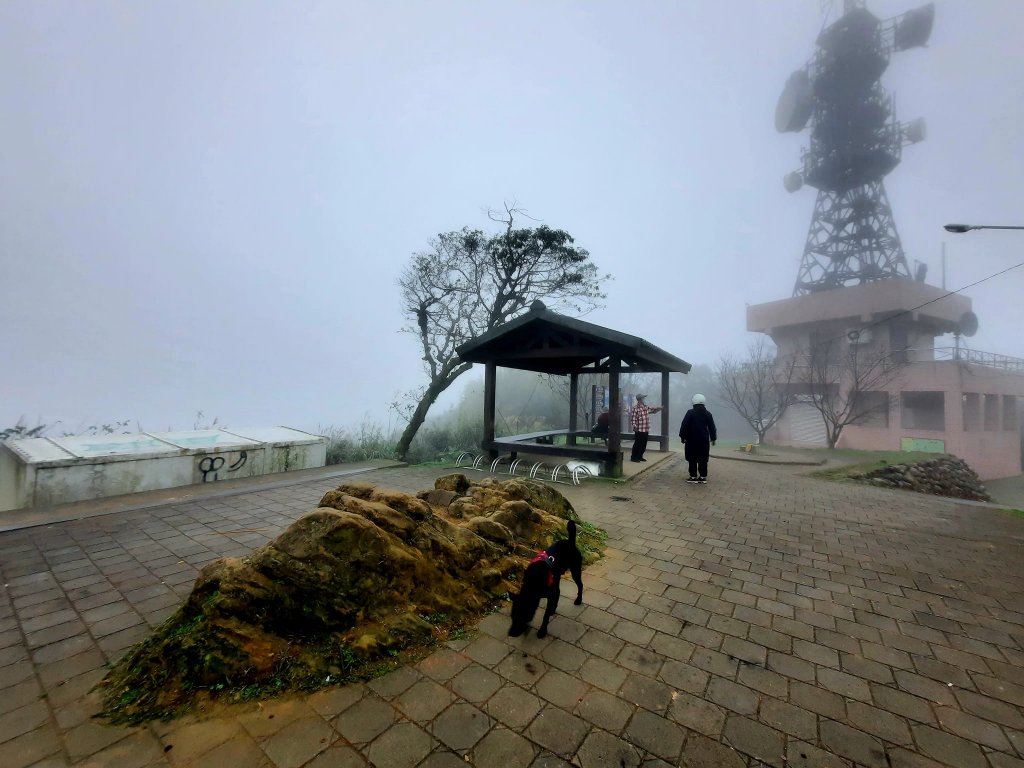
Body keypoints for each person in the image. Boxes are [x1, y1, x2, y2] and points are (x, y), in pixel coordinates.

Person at [679, 393, 717, 483]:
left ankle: (693, 477)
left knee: (692, 458)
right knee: (703, 458)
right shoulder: (708, 414)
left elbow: (684, 425)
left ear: (694, 402)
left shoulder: (690, 413)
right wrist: (713, 438)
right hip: (704, 440)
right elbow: (712, 427)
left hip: (691, 440)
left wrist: (682, 436)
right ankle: (703, 477)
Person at [630, 393, 662, 462]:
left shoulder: (645, 406)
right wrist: (635, 427)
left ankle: (640, 456)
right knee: (637, 443)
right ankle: (634, 457)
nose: (644, 399)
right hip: (639, 429)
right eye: (643, 398)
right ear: (639, 399)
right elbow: (633, 419)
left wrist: (658, 408)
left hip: (646, 428)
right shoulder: (635, 408)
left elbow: (652, 410)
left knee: (644, 444)